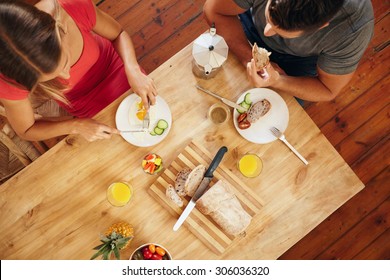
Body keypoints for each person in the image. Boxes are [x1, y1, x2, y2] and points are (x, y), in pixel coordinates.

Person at [0, 0, 157, 142]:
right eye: (49, 79)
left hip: (118, 69)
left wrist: (133, 70)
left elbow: (118, 34)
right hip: (83, 103)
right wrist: (76, 125)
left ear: (61, 29)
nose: (67, 76)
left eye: (65, 63)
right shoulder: (10, 79)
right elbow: (27, 130)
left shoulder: (72, 6)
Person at [203, 0, 374, 102]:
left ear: (321, 26)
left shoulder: (353, 29)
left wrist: (278, 81)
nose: (267, 31)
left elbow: (327, 89)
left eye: (279, 30)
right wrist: (248, 57)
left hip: (298, 62)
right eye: (270, 19)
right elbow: (214, 10)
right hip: (244, 25)